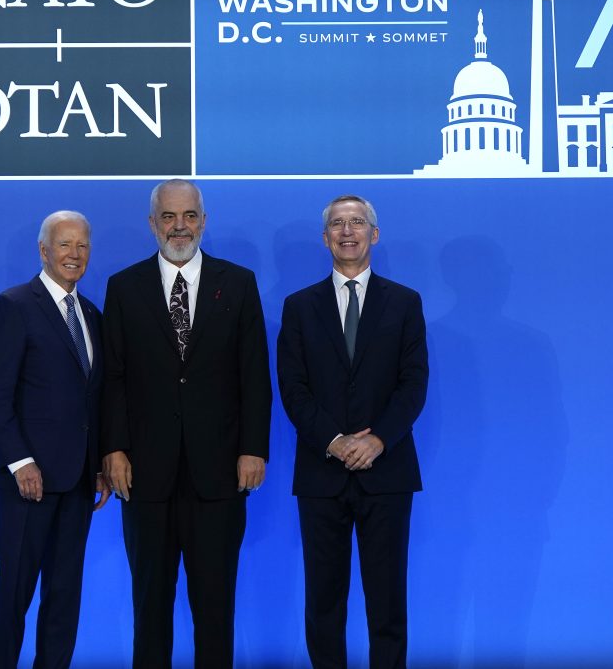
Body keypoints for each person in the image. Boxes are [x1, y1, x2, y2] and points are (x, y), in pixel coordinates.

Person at [100, 179, 271, 669]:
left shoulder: (238, 283)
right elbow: (113, 378)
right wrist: (113, 449)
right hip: (144, 476)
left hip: (219, 473)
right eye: (169, 217)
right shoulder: (123, 286)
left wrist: (253, 448)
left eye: (190, 216)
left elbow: (253, 374)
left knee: (215, 606)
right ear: (152, 223)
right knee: (149, 605)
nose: (180, 227)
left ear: (204, 220)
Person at [277, 194, 428, 669]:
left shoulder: (405, 303)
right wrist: (336, 442)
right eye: (338, 224)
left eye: (357, 222)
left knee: (387, 602)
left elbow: (413, 383)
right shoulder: (299, 307)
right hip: (322, 475)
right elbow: (293, 388)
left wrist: (377, 440)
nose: (348, 231)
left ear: (374, 234)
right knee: (323, 603)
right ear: (325, 239)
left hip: (387, 473)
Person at [0, 210, 110, 669]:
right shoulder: (14, 305)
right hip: (26, 484)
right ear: (43, 250)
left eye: (83, 246)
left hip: (76, 484)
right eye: (64, 245)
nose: (74, 255)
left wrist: (98, 466)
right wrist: (20, 462)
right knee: (15, 592)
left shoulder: (92, 314)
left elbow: (92, 401)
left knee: (64, 595)